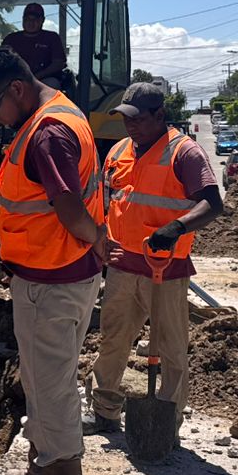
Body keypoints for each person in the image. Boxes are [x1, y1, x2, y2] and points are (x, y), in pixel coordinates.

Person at [0, 46, 106, 475]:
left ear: (18, 90)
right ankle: (42, 474)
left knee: (53, 391)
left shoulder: (47, 134)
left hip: (55, 280)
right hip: (48, 275)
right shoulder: (55, 115)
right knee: (40, 380)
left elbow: (69, 207)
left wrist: (98, 239)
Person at [86, 82, 225, 439]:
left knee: (172, 348)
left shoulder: (184, 152)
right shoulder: (118, 151)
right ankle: (104, 410)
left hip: (164, 267)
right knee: (113, 339)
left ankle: (168, 422)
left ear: (159, 115)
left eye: (138, 119)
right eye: (125, 118)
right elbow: (108, 202)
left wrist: (176, 227)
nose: (130, 125)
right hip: (121, 265)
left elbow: (212, 202)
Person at [0, 3, 68, 87]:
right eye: (27, 19)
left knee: (53, 84)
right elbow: (1, 63)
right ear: (23, 20)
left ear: (42, 20)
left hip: (44, 80)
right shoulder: (11, 39)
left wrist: (37, 76)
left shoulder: (52, 37)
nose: (30, 22)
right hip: (16, 80)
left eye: (35, 19)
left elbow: (58, 63)